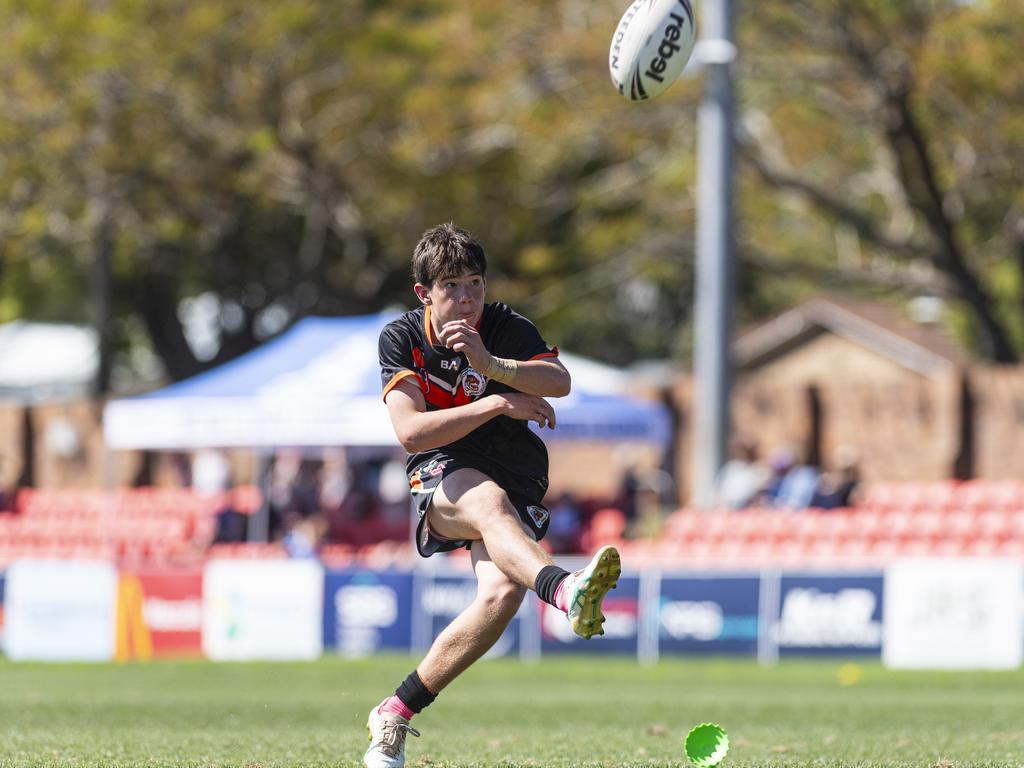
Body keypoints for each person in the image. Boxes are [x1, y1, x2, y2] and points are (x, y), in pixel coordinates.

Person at [366, 223, 621, 768]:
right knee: (485, 503)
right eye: (453, 286)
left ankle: (395, 711)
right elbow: (411, 432)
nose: (467, 298)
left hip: (517, 468)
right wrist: (497, 403)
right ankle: (563, 589)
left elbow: (559, 381)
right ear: (424, 294)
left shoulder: (503, 326)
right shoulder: (402, 337)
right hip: (445, 466)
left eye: (475, 283)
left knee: (501, 595)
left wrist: (491, 366)